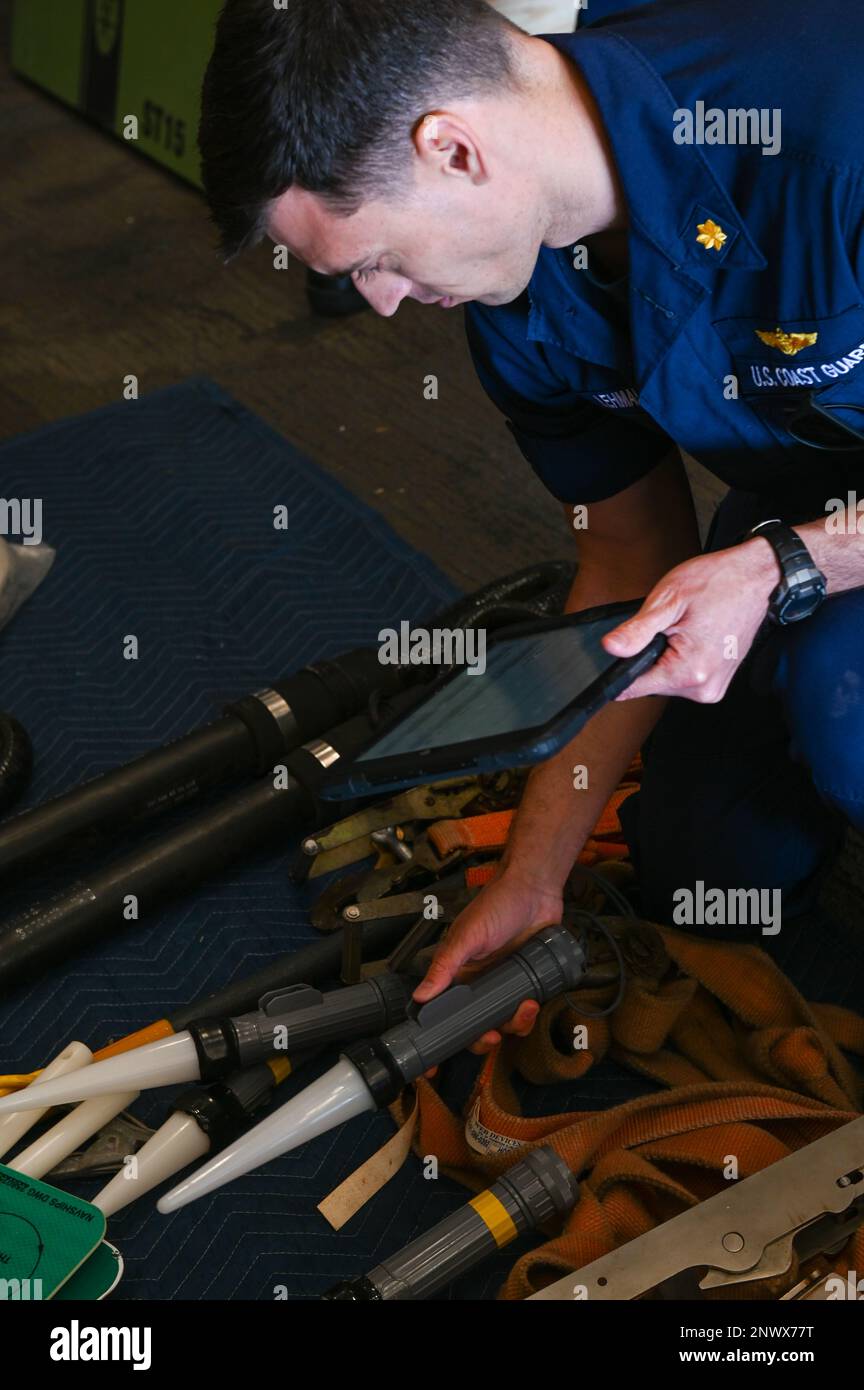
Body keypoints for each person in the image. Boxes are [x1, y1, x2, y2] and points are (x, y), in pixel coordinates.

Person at [199, 0, 864, 1052]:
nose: (378, 303)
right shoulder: (518, 291)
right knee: (702, 869)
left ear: (454, 148)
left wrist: (790, 564)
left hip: (813, 540)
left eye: (372, 257)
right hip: (814, 507)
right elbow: (629, 550)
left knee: (847, 714)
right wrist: (534, 876)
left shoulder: (834, 132)